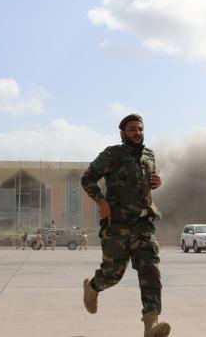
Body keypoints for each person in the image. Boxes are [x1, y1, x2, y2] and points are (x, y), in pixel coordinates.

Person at [81, 114, 170, 337]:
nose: (137, 133)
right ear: (123, 133)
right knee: (113, 274)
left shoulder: (149, 154)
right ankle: (92, 287)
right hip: (118, 224)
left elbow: (145, 183)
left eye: (140, 129)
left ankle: (151, 324)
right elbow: (87, 179)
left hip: (143, 224)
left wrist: (157, 182)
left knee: (150, 270)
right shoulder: (112, 154)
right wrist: (102, 203)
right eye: (132, 129)